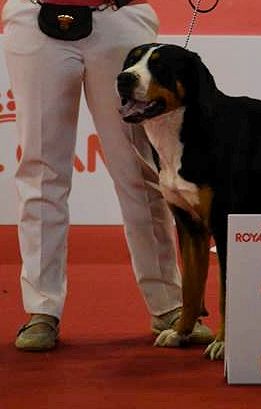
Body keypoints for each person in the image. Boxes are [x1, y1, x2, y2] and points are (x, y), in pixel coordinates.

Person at [1, 0, 212, 351]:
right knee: (40, 169)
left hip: (119, 17)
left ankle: (169, 305)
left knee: (139, 171)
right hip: (35, 20)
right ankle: (42, 308)